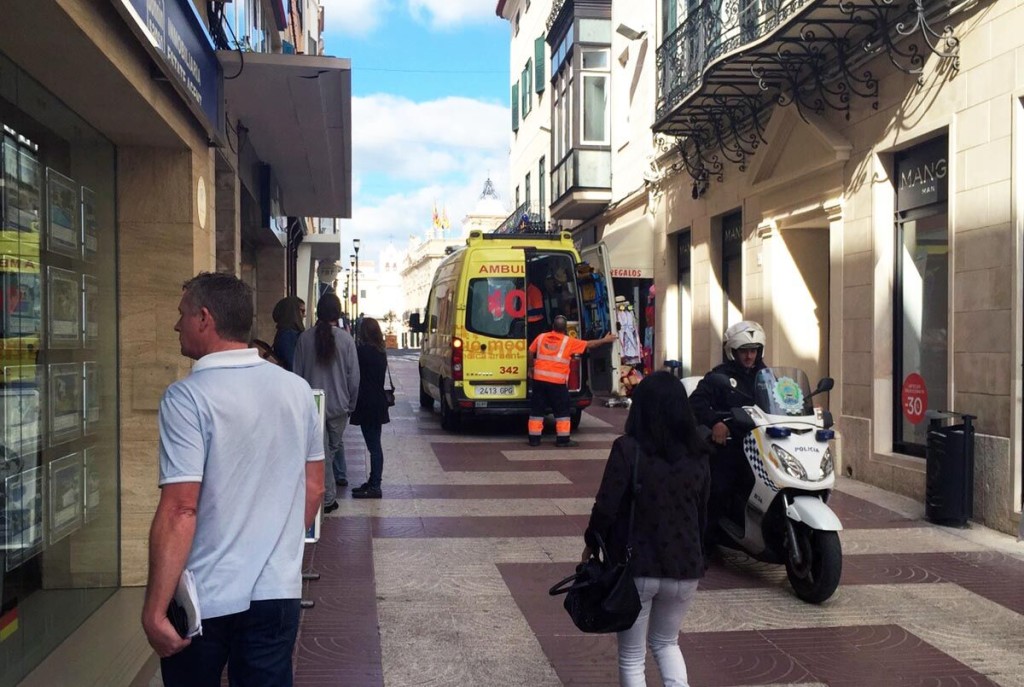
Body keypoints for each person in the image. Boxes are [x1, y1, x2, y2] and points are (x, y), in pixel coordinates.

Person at [141, 272, 324, 686]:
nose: (176, 325)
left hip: (206, 596)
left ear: (205, 318)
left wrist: (154, 609)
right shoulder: (297, 391)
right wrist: (273, 546)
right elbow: (314, 487)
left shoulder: (187, 398)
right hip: (277, 592)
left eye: (182, 314)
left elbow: (180, 508)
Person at [583, 371, 710, 687]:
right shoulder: (699, 455)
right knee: (667, 643)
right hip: (686, 566)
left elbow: (606, 505)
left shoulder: (628, 449)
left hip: (637, 566)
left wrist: (592, 540)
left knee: (631, 655)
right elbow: (703, 511)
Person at [688, 320, 767, 538]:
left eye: (753, 351)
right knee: (720, 488)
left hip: (761, 444)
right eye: (744, 351)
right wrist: (716, 422)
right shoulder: (719, 376)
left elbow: (780, 399)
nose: (749, 356)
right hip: (731, 444)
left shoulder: (767, 376)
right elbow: (696, 402)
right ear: (733, 352)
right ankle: (705, 541)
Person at [294, 294, 360, 513]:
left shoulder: (304, 339)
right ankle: (328, 498)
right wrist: (351, 403)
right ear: (338, 313)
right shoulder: (346, 340)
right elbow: (354, 377)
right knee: (329, 452)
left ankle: (325, 498)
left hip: (311, 404)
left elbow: (297, 374)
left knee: (321, 453)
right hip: (339, 406)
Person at [528, 315, 616, 447]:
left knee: (537, 411)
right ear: (565, 329)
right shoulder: (568, 342)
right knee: (562, 411)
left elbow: (530, 352)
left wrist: (531, 367)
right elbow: (590, 344)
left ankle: (534, 439)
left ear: (552, 326)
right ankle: (563, 439)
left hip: (539, 380)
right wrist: (605, 340)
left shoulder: (541, 338)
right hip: (557, 383)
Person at [349, 317, 391, 499]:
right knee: (375, 444)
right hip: (378, 402)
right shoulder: (381, 351)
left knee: (374, 446)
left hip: (367, 403)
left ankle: (375, 486)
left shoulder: (362, 352)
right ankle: (373, 481)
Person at [271, 296, 305, 371]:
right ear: (294, 311)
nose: (304, 315)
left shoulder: (286, 333)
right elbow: (293, 364)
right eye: (302, 311)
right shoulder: (287, 335)